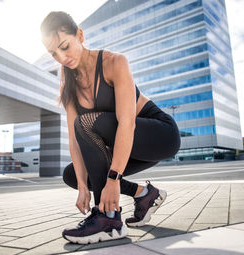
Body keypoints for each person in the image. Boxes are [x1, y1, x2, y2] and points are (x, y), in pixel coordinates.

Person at [40, 11, 180, 244]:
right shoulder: (68, 83)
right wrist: (83, 187)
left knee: (87, 123)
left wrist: (113, 180)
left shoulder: (114, 62)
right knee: (72, 175)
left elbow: (127, 123)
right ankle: (144, 195)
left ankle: (109, 219)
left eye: (65, 46)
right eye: (53, 53)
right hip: (123, 144)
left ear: (80, 35)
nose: (61, 57)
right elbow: (75, 139)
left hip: (158, 134)